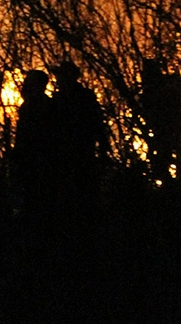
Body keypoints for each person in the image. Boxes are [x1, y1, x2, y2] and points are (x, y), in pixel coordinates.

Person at [48, 60, 108, 213]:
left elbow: (96, 122)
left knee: (81, 193)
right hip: (64, 153)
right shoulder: (59, 99)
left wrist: (102, 146)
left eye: (61, 76)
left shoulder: (82, 97)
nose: (58, 80)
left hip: (80, 151)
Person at [138, 58, 181, 181]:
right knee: (172, 153)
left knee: (172, 154)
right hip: (166, 126)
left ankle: (177, 182)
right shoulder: (154, 88)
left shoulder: (159, 85)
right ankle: (173, 182)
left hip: (168, 125)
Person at [9, 69, 54, 214]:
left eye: (29, 82)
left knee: (35, 202)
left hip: (37, 161)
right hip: (28, 160)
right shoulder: (29, 105)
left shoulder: (42, 105)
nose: (25, 85)